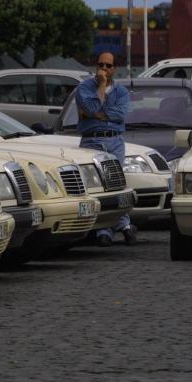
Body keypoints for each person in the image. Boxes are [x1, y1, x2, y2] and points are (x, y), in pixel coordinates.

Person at [74, 51, 136, 247]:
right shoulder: (84, 88)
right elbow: (91, 109)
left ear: (114, 68)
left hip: (114, 141)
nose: (104, 69)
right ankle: (113, 228)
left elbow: (120, 114)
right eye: (101, 65)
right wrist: (101, 87)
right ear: (96, 66)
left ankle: (114, 228)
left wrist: (98, 114)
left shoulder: (122, 92)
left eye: (108, 66)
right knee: (98, 187)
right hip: (91, 141)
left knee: (116, 185)